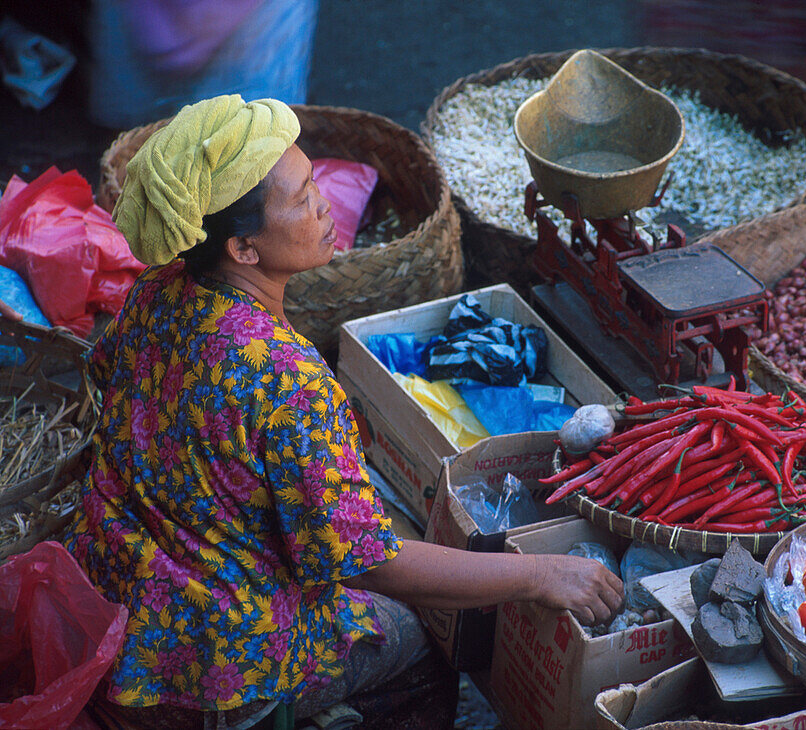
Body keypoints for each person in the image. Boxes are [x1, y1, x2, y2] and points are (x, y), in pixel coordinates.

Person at [60, 95, 624, 730]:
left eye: (313, 181)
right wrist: (537, 574)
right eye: (301, 198)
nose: (325, 204)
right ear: (244, 248)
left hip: (116, 584)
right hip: (214, 658)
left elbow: (109, 377)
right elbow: (371, 562)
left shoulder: (154, 294)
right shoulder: (286, 377)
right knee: (421, 647)